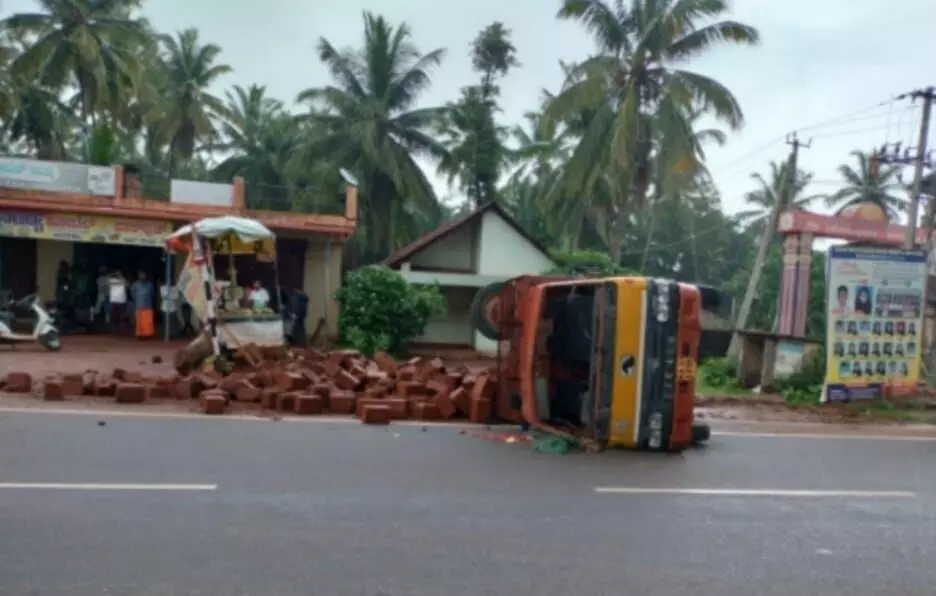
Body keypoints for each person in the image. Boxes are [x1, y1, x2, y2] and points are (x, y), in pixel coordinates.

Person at [131, 271, 156, 339]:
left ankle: (148, 335)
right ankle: (140, 335)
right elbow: (133, 294)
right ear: (139, 276)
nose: (142, 276)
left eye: (144, 275)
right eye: (141, 275)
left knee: (148, 322)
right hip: (139, 305)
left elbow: (152, 294)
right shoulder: (135, 284)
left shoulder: (150, 284)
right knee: (140, 322)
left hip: (148, 306)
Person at [108, 270, 129, 336]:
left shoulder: (123, 280)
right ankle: (116, 331)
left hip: (122, 301)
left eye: (119, 273)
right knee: (115, 317)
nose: (118, 275)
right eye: (117, 274)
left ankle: (122, 332)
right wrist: (111, 274)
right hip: (114, 301)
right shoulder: (112, 280)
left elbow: (128, 285)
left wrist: (122, 277)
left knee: (122, 317)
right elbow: (107, 282)